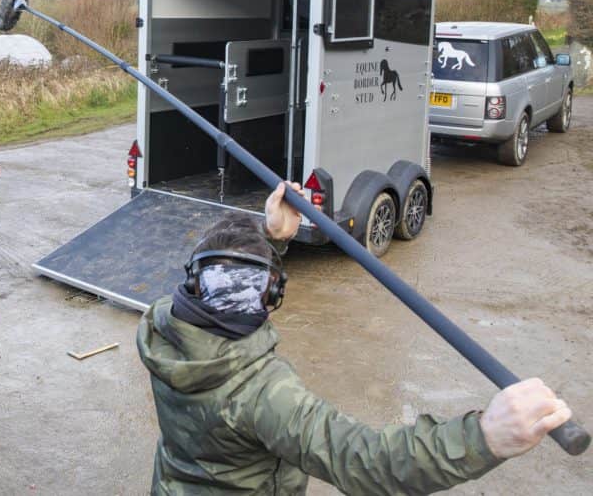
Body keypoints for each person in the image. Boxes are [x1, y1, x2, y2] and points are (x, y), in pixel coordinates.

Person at [136, 181, 573, 495]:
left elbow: (225, 281)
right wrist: (484, 438)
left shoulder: (160, 326)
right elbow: (364, 460)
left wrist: (272, 238)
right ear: (272, 298)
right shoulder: (261, 396)